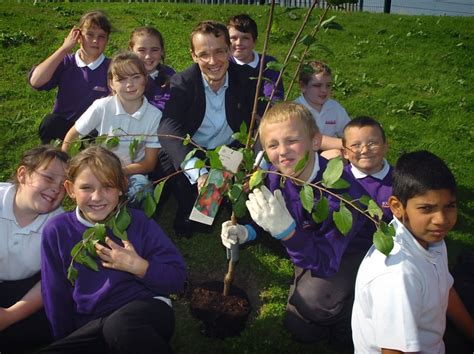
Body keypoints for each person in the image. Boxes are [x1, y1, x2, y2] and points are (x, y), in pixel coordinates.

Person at [220, 102, 373, 349]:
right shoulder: (275, 175)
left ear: (315, 141)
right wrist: (247, 231)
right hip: (311, 243)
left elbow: (325, 260)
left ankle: (350, 313)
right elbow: (275, 216)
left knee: (315, 303)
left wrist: (288, 233)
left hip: (348, 255)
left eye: (292, 140)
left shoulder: (339, 198)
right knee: (301, 328)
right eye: (272, 145)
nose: (282, 152)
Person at [39, 146, 187, 354]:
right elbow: (55, 293)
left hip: (143, 311)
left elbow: (178, 278)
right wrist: (65, 338)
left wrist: (139, 267)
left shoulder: (139, 223)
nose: (97, 197)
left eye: (107, 186)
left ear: (122, 187)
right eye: (86, 188)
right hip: (91, 322)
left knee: (120, 327)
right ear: (70, 189)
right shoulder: (56, 231)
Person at [351, 150, 474, 353]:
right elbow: (394, 350)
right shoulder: (397, 275)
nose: (441, 219)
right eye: (426, 209)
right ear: (397, 207)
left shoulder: (430, 236)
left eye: (449, 206)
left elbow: (444, 287)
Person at [156, 20, 256, 238]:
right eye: (204, 54)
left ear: (229, 50)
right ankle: (190, 202)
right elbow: (168, 126)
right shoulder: (182, 82)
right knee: (191, 223)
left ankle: (217, 202)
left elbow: (261, 123)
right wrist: (197, 171)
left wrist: (252, 161)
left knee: (208, 216)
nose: (213, 61)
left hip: (228, 152)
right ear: (193, 55)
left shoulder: (245, 80)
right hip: (195, 150)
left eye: (220, 52)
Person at [62, 51, 162, 202]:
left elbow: (149, 163)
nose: (129, 85)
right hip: (100, 169)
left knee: (142, 188)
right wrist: (64, 164)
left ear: (145, 79)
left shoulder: (154, 115)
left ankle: (129, 218)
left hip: (131, 172)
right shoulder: (102, 106)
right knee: (90, 189)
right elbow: (72, 136)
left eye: (136, 77)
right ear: (111, 83)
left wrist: (118, 172)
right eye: (121, 79)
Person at [0, 146, 68, 353]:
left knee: (55, 321)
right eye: (48, 178)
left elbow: (48, 281)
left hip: (21, 290)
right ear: (23, 174)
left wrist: (9, 315)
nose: (56, 188)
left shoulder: (60, 225)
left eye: (63, 184)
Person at [29, 10, 112, 144]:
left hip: (93, 130)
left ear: (107, 40)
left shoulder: (111, 67)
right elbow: (36, 81)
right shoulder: (66, 61)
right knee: (50, 123)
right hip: (64, 125)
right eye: (89, 35)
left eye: (102, 36)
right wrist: (64, 49)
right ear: (78, 36)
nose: (96, 40)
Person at [294, 61, 350, 159]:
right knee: (336, 155)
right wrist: (349, 144)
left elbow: (349, 132)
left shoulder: (334, 107)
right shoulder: (296, 110)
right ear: (303, 86)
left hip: (329, 151)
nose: (324, 90)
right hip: (303, 157)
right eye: (317, 85)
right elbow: (314, 140)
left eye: (328, 85)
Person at [342, 116, 393, 223]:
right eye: (356, 145)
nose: (365, 150)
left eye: (372, 143)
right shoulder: (339, 181)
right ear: (345, 152)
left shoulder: (400, 180)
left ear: (385, 146)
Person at [227, 13, 284, 102]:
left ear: (254, 41)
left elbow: (274, 98)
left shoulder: (269, 64)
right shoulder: (223, 64)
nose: (239, 43)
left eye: (245, 38)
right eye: (233, 38)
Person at [129, 26, 176, 112]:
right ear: (131, 50)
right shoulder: (123, 76)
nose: (148, 56)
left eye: (154, 50)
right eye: (142, 50)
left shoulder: (170, 75)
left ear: (162, 50)